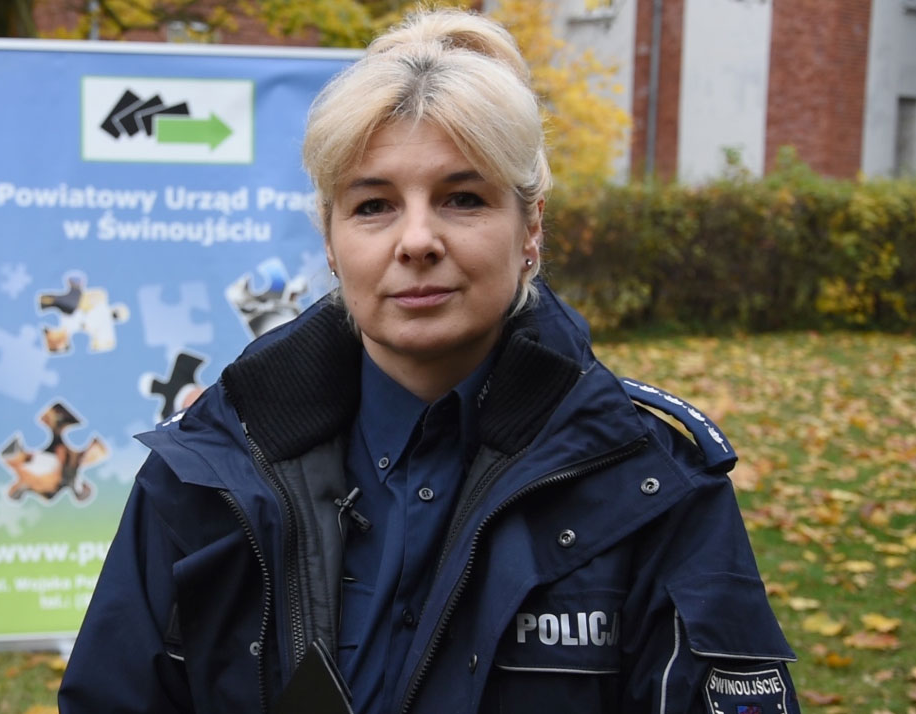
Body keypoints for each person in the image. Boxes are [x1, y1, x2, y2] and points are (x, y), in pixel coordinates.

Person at [59, 8, 800, 713]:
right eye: (373, 206)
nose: (416, 240)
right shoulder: (206, 470)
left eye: (462, 198)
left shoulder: (652, 482)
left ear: (530, 227)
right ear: (330, 240)